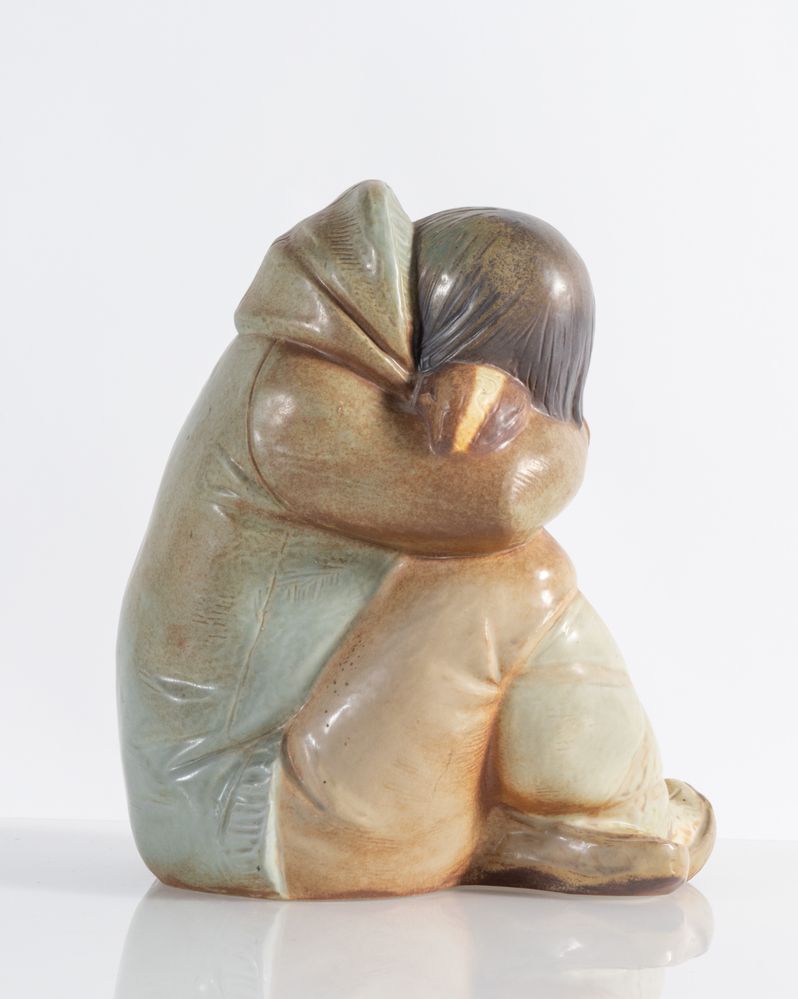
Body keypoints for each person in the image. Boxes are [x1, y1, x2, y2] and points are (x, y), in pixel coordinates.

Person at [118, 181, 714, 898]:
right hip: (239, 810)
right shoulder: (288, 400)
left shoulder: (342, 355)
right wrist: (560, 429)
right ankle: (608, 812)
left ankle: (564, 814)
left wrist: (517, 405)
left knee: (504, 571)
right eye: (532, 375)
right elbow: (502, 502)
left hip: (294, 778)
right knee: (518, 575)